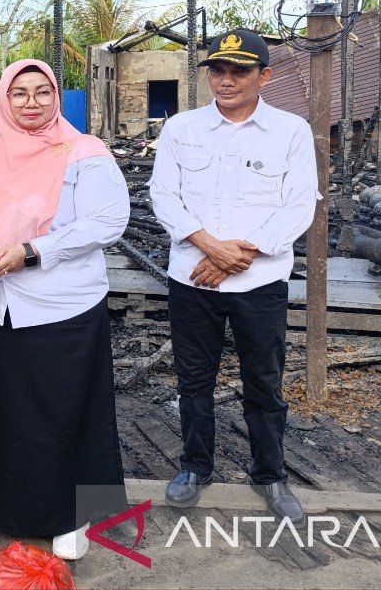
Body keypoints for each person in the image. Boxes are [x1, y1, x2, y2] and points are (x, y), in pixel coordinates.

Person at [0, 58, 131, 560]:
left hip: (60, 303)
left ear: (56, 97)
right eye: (19, 93)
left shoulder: (84, 152)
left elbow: (108, 219)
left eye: (42, 92)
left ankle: (72, 516)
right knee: (0, 406)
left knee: (65, 409)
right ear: (3, 98)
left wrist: (33, 251)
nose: (31, 103)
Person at [149, 29, 317, 525]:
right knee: (194, 380)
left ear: (264, 76)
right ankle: (196, 468)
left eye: (240, 71)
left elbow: (299, 204)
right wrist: (209, 246)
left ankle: (269, 474)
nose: (226, 80)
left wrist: (240, 253)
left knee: (264, 382)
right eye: (218, 70)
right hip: (192, 279)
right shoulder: (182, 129)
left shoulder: (291, 131)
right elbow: (165, 197)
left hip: (259, 283)